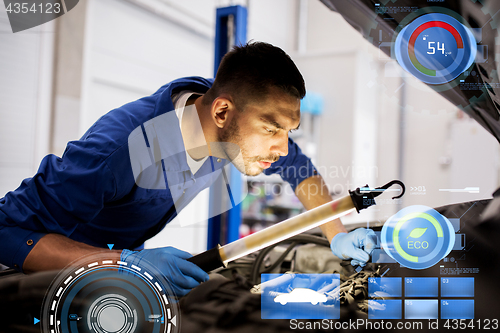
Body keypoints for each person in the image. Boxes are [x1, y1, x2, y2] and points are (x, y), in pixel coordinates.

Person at [0, 42, 376, 297]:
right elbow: (6, 233)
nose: (282, 147)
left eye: (288, 131)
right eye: (272, 129)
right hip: (37, 282)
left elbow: (300, 169)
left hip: (112, 277)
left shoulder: (224, 122)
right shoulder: (118, 151)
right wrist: (126, 262)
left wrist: (336, 232)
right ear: (222, 112)